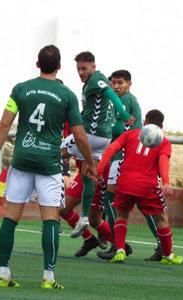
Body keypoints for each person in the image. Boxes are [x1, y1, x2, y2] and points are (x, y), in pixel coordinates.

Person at [0, 45, 96, 289]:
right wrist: (89, 161)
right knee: (50, 219)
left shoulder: (21, 89)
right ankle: (48, 277)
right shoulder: (67, 95)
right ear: (59, 66)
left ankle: (4, 273)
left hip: (22, 160)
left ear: (37, 64)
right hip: (49, 163)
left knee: (11, 217)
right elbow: (79, 134)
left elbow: (4, 124)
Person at [97, 109, 183, 265]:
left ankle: (120, 251)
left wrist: (100, 169)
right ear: (161, 126)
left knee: (121, 215)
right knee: (162, 219)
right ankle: (168, 255)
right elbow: (163, 159)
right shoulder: (164, 142)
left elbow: (111, 149)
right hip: (147, 186)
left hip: (124, 183)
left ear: (144, 122)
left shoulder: (131, 134)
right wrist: (165, 181)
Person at [96, 70, 162, 261]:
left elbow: (116, 129)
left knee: (110, 198)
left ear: (129, 84)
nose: (116, 87)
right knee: (140, 203)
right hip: (126, 155)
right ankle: (160, 244)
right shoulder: (124, 101)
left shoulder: (125, 101)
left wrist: (99, 131)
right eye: (113, 83)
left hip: (123, 156)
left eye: (120, 83)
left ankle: (117, 244)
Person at [68, 51, 134, 238]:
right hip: (103, 139)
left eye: (84, 68)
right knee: (88, 174)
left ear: (93, 67)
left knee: (58, 151)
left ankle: (39, 188)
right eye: (78, 69)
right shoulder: (92, 82)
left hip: (91, 134)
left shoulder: (97, 79)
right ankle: (83, 218)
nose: (81, 72)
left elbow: (111, 95)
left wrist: (122, 113)